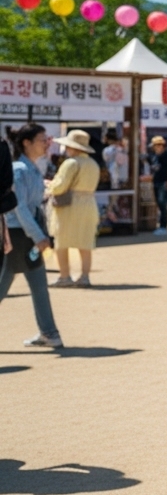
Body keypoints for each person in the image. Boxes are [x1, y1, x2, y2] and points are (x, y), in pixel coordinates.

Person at [2, 124, 63, 347]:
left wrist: (40, 234)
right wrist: (38, 236)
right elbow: (20, 209)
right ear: (26, 143)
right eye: (41, 139)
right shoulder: (19, 170)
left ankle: (50, 332)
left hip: (26, 235)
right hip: (19, 235)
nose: (46, 143)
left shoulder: (31, 168)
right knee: (9, 281)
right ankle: (49, 332)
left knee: (37, 283)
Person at [48, 130, 101, 288]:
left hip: (70, 205)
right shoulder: (93, 164)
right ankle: (85, 277)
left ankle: (65, 276)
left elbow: (60, 186)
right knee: (85, 242)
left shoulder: (71, 163)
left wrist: (49, 185)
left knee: (61, 242)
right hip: (89, 203)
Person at [148, 136, 167, 235]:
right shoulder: (154, 156)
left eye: (159, 145)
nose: (157, 147)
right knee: (159, 204)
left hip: (164, 182)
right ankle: (160, 225)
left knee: (162, 203)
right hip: (156, 182)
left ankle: (164, 226)